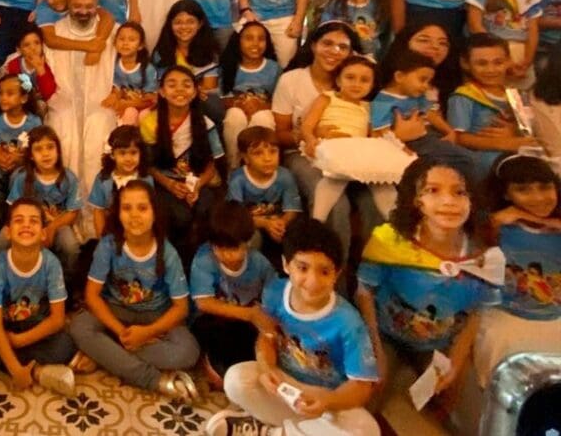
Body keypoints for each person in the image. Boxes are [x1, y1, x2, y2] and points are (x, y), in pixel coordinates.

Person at [355, 159, 502, 421]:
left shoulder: (484, 256)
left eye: (459, 192)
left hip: (440, 343)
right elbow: (365, 292)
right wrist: (375, 348)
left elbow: (478, 311)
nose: (448, 201)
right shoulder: (389, 241)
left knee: (458, 406)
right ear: (416, 200)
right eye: (433, 190)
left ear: (472, 200)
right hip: (386, 334)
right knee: (367, 394)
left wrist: (456, 361)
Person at [210, 218, 380, 436]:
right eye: (303, 268)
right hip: (285, 385)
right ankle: (293, 430)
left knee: (367, 430)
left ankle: (271, 431)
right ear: (286, 264)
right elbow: (267, 337)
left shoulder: (349, 323)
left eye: (324, 272)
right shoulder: (274, 292)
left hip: (325, 399)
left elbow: (362, 387)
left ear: (336, 274)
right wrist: (267, 368)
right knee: (236, 379)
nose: (312, 281)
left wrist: (328, 400)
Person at [69, 180, 201, 400]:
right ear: (118, 214)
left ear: (154, 213)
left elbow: (181, 308)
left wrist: (147, 333)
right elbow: (92, 296)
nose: (134, 215)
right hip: (116, 311)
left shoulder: (167, 253)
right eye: (127, 208)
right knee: (79, 327)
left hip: (154, 315)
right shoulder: (108, 245)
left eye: (142, 208)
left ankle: (104, 353)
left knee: (188, 352)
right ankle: (153, 379)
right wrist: (122, 332)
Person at [272, 22, 370, 256]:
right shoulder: (292, 80)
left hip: (354, 158)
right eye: (327, 43)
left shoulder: (357, 81)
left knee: (374, 202)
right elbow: (279, 134)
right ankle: (333, 272)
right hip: (303, 155)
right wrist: (313, 136)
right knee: (335, 204)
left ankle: (373, 270)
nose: (334, 51)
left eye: (342, 47)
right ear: (314, 45)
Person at [0, 198, 77, 396]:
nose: (26, 225)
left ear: (43, 233)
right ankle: (36, 371)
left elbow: (57, 319)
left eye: (33, 221)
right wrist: (16, 370)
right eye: (18, 220)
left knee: (65, 346)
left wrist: (20, 341)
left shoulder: (51, 264)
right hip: (7, 328)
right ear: (8, 232)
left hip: (36, 330)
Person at [474, 154, 561, 387]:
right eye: (523, 190)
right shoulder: (496, 226)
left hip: (554, 320)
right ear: (505, 193)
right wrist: (495, 223)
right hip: (506, 319)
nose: (538, 197)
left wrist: (543, 221)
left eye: (545, 187)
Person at [301, 55, 410, 222]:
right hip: (333, 145)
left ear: (372, 85)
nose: (356, 84)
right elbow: (307, 125)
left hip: (357, 150)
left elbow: (375, 135)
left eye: (364, 80)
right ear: (338, 80)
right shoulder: (327, 98)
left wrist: (398, 147)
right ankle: (317, 221)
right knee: (334, 178)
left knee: (381, 181)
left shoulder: (369, 107)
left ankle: (397, 223)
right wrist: (310, 139)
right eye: (350, 77)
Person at [44, 0, 118, 207]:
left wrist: (118, 92)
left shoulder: (113, 32)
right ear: (68, 3)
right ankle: (65, 210)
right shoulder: (55, 32)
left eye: (89, 6)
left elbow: (129, 67)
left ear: (97, 4)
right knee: (62, 131)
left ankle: (98, 211)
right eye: (77, 6)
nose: (83, 11)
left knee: (99, 130)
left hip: (101, 104)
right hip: (63, 102)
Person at [189, 201, 277, 390]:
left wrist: (263, 319)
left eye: (233, 249)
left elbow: (274, 294)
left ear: (247, 242)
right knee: (217, 336)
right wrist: (249, 314)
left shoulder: (259, 264)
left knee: (254, 345)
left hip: (243, 322)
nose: (226, 255)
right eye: (219, 248)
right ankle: (212, 363)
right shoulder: (204, 258)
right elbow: (204, 303)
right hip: (211, 320)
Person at [141, 65, 224, 262]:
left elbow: (212, 164)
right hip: (163, 184)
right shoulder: (150, 123)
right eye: (172, 85)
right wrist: (169, 184)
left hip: (196, 182)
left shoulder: (206, 123)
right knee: (175, 215)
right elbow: (148, 165)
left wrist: (198, 185)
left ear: (195, 92)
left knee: (206, 208)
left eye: (187, 85)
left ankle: (202, 264)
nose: (179, 89)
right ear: (162, 91)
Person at [371, 48, 478, 179]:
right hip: (413, 143)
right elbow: (381, 132)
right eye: (422, 80)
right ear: (399, 77)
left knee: (464, 159)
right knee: (466, 159)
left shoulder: (417, 96)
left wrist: (449, 131)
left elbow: (430, 113)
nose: (426, 86)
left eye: (429, 81)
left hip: (428, 137)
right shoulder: (382, 101)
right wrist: (402, 147)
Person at [447, 33, 538, 180]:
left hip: (518, 151)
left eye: (498, 62)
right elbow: (459, 138)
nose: (491, 70)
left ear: (508, 61)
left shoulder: (517, 95)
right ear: (465, 63)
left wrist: (514, 132)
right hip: (482, 159)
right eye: (482, 63)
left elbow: (530, 130)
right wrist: (504, 144)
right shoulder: (463, 96)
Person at [3, 126, 82, 286]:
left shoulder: (69, 178)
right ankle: (13, 281)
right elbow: (13, 208)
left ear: (58, 151)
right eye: (38, 149)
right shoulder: (22, 178)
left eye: (50, 147)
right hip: (28, 223)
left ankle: (65, 285)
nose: (46, 154)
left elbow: (72, 213)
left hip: (59, 224)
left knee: (70, 245)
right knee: (2, 239)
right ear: (31, 155)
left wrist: (52, 227)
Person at [226, 126, 302, 266]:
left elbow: (292, 210)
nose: (267, 158)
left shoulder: (285, 176)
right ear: (245, 158)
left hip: (278, 224)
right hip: (251, 224)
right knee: (250, 238)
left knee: (295, 235)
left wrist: (281, 224)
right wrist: (265, 224)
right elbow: (236, 216)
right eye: (258, 153)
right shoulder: (238, 180)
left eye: (273, 152)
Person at [0, 73, 42, 228]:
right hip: (4, 163)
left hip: (24, 164)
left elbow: (35, 154)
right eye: (1, 93)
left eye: (9, 94)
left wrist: (19, 160)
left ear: (23, 98)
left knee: (19, 176)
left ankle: (14, 217)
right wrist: (0, 161)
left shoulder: (34, 121)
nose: (3, 98)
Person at [219, 21, 280, 168]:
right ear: (238, 41)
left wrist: (259, 106)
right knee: (235, 116)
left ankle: (260, 166)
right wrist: (240, 104)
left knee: (262, 117)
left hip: (263, 111)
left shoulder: (274, 68)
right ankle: (233, 166)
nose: (255, 43)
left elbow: (280, 102)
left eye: (261, 39)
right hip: (235, 111)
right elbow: (220, 99)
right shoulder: (228, 66)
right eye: (249, 38)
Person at [152, 0, 222, 124]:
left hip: (200, 104)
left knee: (212, 104)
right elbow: (161, 87)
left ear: (200, 24)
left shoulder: (210, 52)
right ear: (170, 25)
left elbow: (207, 89)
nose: (184, 27)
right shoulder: (161, 53)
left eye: (190, 22)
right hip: (169, 102)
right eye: (178, 22)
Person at [88, 125, 153, 238]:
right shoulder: (103, 178)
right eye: (122, 153)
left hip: (138, 229)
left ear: (140, 153)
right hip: (111, 231)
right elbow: (98, 212)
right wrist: (101, 240)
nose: (128, 159)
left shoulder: (146, 179)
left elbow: (150, 211)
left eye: (133, 153)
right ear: (112, 154)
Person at [101, 21, 157, 125]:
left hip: (143, 106)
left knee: (144, 115)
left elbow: (150, 99)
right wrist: (114, 97)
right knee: (129, 113)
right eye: (121, 39)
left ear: (140, 45)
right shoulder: (113, 65)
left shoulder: (148, 69)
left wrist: (127, 104)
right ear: (115, 43)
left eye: (132, 40)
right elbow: (116, 88)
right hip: (124, 107)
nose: (125, 43)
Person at [0, 24, 57, 108]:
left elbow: (48, 94)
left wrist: (40, 70)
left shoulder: (47, 64)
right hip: (18, 103)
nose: (33, 48)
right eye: (27, 45)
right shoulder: (13, 65)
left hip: (39, 103)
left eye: (37, 43)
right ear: (19, 50)